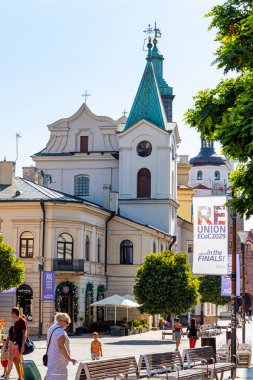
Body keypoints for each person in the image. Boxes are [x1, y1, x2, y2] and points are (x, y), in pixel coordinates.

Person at [46, 312, 77, 380]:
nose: (68, 325)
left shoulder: (52, 328)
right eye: (67, 322)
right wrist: (70, 359)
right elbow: (61, 346)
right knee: (58, 377)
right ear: (62, 321)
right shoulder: (60, 331)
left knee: (51, 374)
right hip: (59, 360)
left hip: (52, 357)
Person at [11, 307, 27, 380]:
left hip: (20, 343)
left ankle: (20, 378)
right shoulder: (16, 322)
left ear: (14, 313)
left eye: (12, 313)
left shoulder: (22, 321)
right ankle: (21, 377)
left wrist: (23, 345)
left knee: (15, 359)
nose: (11, 314)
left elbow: (24, 334)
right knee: (18, 360)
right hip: (15, 343)